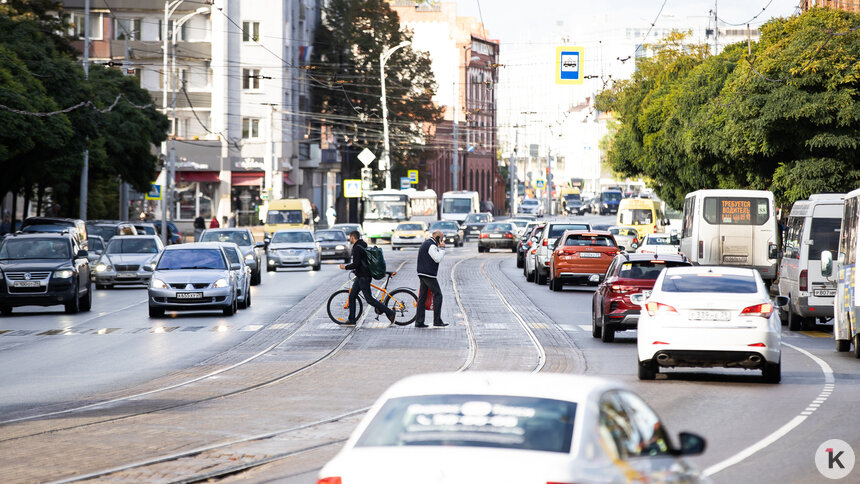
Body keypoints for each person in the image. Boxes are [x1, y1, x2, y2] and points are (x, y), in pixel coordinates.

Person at [339, 231, 396, 325]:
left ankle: (390, 312)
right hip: (361, 276)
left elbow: (356, 263)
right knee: (352, 296)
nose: (350, 239)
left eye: (350, 238)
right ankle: (352, 320)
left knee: (369, 299)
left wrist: (345, 267)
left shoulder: (357, 248)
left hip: (363, 277)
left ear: (352, 237)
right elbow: (363, 262)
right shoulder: (363, 245)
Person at [415, 230, 448, 328]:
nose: (442, 241)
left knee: (422, 297)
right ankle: (437, 321)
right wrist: (442, 249)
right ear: (437, 237)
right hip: (428, 274)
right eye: (441, 239)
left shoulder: (427, 243)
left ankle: (419, 321)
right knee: (438, 295)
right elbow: (437, 258)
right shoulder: (432, 245)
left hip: (422, 272)